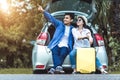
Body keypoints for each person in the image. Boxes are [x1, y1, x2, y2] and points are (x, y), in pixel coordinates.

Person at [38, 6, 74, 74]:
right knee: (54, 51)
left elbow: (78, 35)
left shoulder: (73, 29)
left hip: (66, 46)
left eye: (67, 18)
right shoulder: (59, 24)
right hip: (56, 44)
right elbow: (51, 18)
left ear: (71, 20)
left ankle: (53, 69)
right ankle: (58, 67)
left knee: (63, 53)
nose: (64, 19)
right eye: (64, 18)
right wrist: (43, 11)